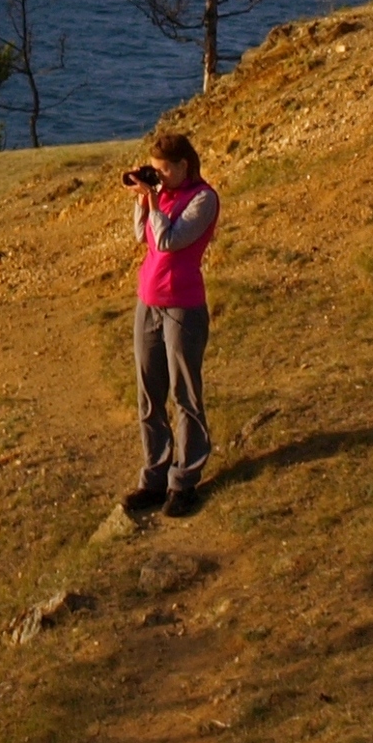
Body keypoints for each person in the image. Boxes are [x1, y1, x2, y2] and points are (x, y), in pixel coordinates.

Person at [121, 129, 219, 519]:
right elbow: (139, 235)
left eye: (164, 171)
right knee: (149, 393)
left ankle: (185, 480)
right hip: (149, 302)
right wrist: (144, 201)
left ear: (184, 166)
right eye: (154, 172)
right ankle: (154, 477)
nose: (159, 178)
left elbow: (166, 242)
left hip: (182, 306)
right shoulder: (164, 193)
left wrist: (155, 200)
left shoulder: (203, 199)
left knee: (185, 395)